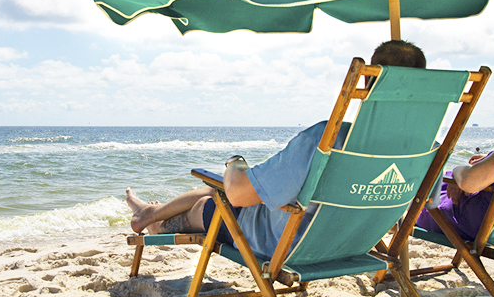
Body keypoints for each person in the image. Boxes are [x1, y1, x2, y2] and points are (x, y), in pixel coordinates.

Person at [126, 39, 427, 259]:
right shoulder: (428, 152)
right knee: (213, 192)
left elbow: (238, 194)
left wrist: (234, 164)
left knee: (210, 202)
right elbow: (423, 204)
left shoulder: (325, 138)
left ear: (368, 81)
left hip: (284, 244)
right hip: (355, 244)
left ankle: (153, 221)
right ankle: (149, 212)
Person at [415, 73, 494, 241]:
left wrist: (457, 171)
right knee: (443, 179)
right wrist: (493, 158)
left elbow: (469, 183)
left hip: (481, 224)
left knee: (429, 187)